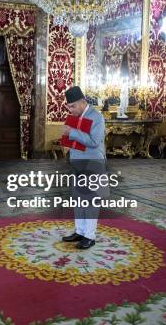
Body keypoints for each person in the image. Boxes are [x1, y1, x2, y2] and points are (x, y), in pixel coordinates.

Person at [61, 86, 107, 250]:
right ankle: (80, 231)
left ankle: (90, 236)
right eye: (69, 107)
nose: (71, 110)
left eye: (72, 106)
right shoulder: (77, 116)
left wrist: (71, 132)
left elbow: (94, 142)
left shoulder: (97, 117)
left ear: (82, 102)